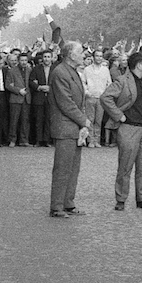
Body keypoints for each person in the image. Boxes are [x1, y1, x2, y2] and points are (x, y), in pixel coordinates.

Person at [100, 51, 142, 211]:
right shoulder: (122, 81)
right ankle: (121, 199)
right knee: (125, 165)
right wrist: (119, 116)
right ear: (138, 65)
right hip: (128, 127)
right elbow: (105, 97)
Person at [47, 41, 90, 218]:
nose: (83, 55)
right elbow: (66, 103)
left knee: (73, 169)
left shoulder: (72, 72)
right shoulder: (60, 72)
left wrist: (82, 123)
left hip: (74, 127)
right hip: (65, 127)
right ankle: (57, 206)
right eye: (80, 52)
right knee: (63, 168)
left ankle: (68, 203)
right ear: (71, 55)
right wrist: (84, 121)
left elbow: (79, 101)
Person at [82, 49, 111, 148]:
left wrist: (105, 94)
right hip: (90, 97)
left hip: (101, 98)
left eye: (100, 56)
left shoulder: (105, 70)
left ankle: (97, 140)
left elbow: (109, 84)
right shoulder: (87, 69)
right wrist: (87, 93)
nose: (99, 58)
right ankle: (90, 140)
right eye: (97, 56)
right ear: (93, 57)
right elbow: (83, 83)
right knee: (90, 119)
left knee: (98, 120)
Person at [30, 50, 54, 147]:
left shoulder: (55, 69)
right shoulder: (36, 69)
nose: (46, 59)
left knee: (48, 119)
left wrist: (50, 88)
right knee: (39, 119)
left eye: (48, 57)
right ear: (42, 58)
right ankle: (38, 140)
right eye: (45, 57)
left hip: (51, 97)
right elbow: (31, 81)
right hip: (39, 97)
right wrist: (39, 87)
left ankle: (47, 140)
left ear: (51, 58)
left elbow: (58, 82)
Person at [7, 52, 32, 147]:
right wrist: (18, 90)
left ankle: (24, 140)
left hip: (27, 98)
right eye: (22, 60)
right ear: (18, 61)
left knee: (25, 120)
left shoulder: (30, 70)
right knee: (14, 120)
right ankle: (12, 140)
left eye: (25, 60)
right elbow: (8, 85)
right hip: (16, 98)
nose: (24, 62)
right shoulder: (12, 71)